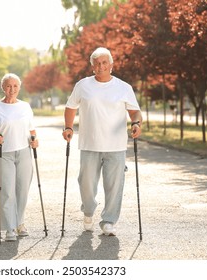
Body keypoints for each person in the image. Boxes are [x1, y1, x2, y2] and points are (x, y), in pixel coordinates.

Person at [62, 47, 142, 236]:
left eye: (104, 62)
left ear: (111, 65)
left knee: (114, 185)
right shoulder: (83, 85)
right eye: (97, 63)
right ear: (92, 67)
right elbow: (70, 107)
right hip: (89, 144)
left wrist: (136, 123)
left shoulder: (123, 87)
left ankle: (109, 221)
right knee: (86, 183)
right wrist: (68, 127)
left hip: (116, 146)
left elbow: (134, 111)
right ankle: (88, 210)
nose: (101, 66)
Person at [0, 73, 38, 241]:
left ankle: (19, 223)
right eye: (8, 86)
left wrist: (34, 140)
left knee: (22, 190)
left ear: (19, 88)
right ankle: (9, 228)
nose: (12, 89)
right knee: (7, 191)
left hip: (24, 152)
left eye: (15, 86)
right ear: (3, 88)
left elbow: (31, 129)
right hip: (4, 153)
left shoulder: (25, 107)